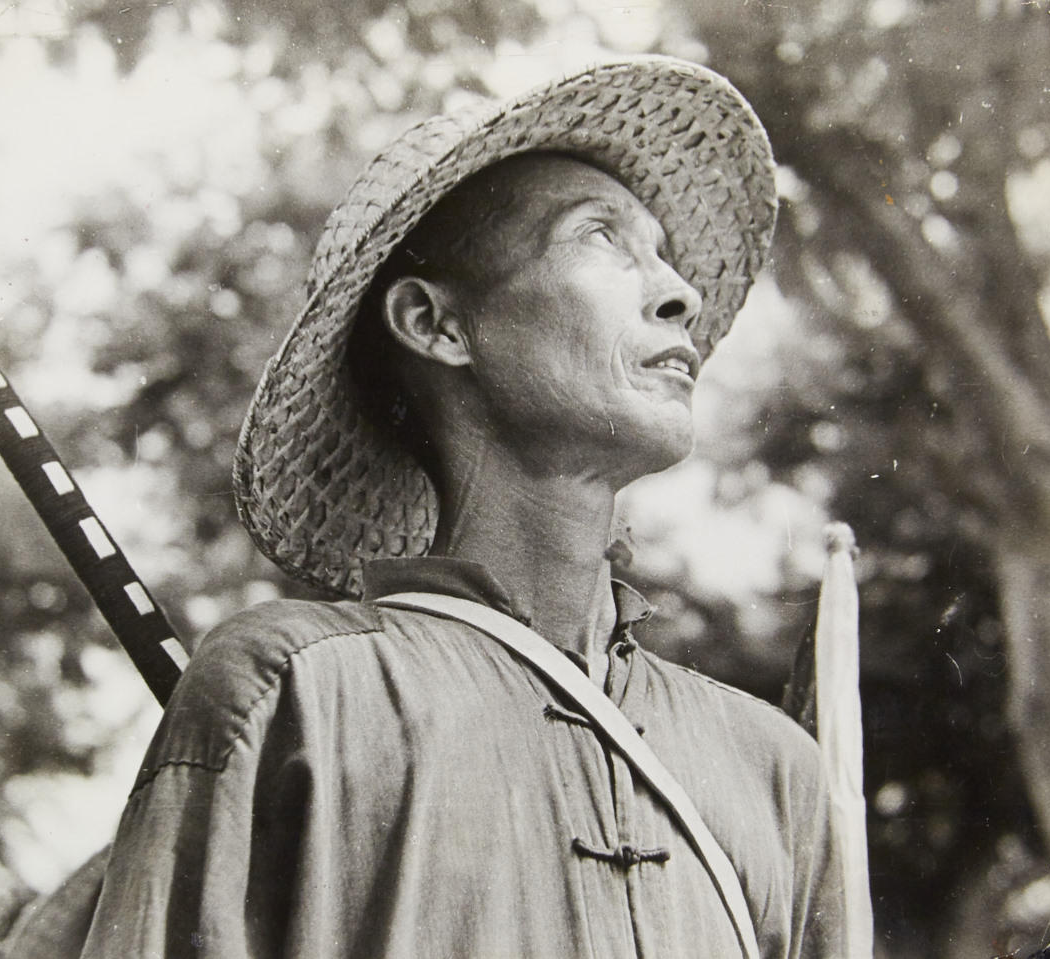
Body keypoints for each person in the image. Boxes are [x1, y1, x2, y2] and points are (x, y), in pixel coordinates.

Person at [78, 56, 852, 957]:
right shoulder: (294, 688)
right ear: (436, 325)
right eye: (600, 238)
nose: (679, 294)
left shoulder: (774, 769)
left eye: (666, 255)